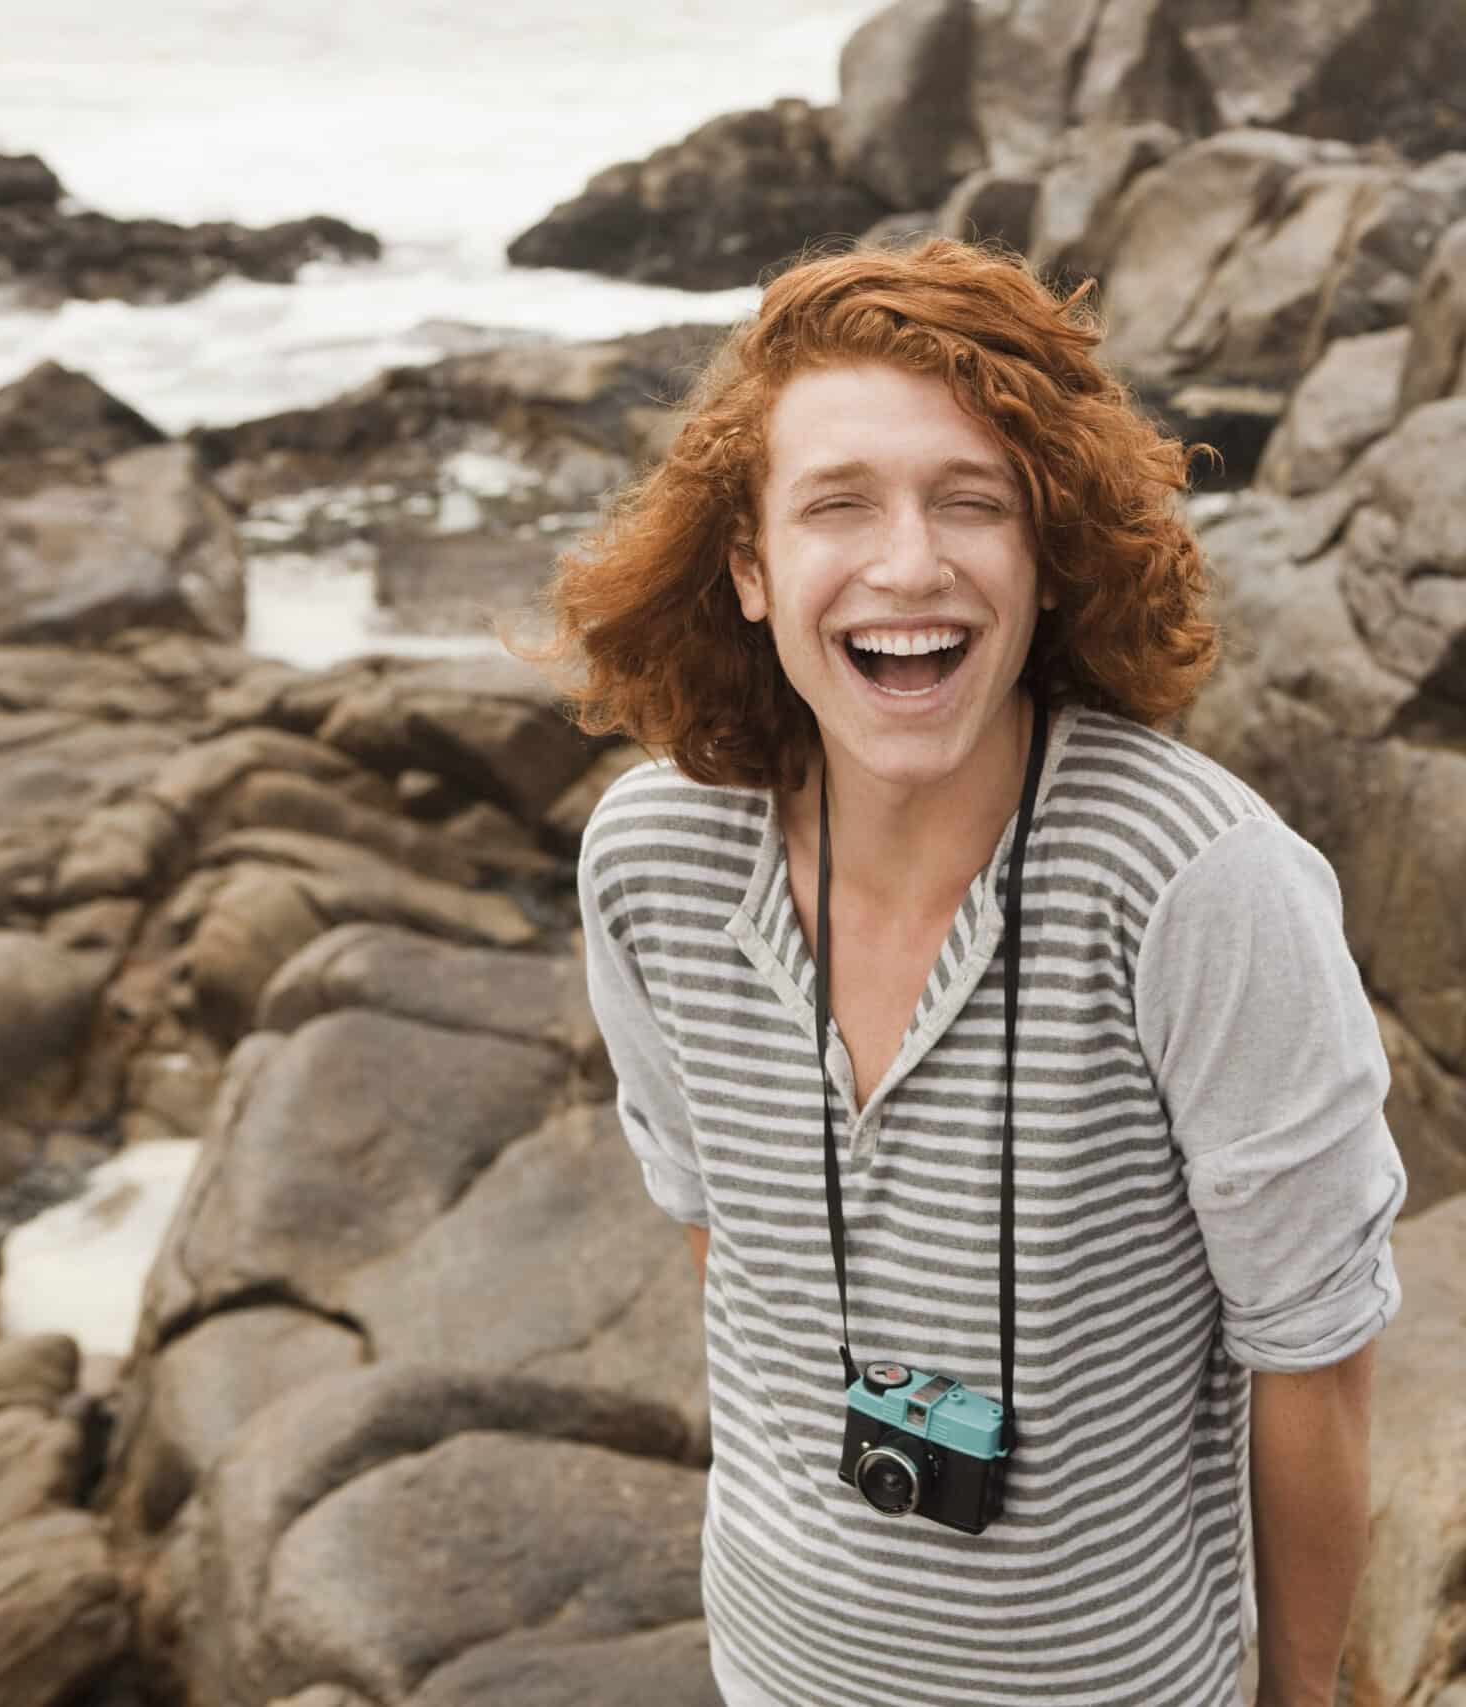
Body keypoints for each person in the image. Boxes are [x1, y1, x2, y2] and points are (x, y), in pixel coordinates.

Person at [546, 238, 1406, 1707]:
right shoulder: (651, 862)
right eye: (838, 506)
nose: (909, 565)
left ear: (1045, 555)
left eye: (971, 503)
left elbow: (1313, 1363)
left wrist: (1304, 1696)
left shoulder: (1198, 887)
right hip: (775, 1672)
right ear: (750, 570)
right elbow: (723, 1250)